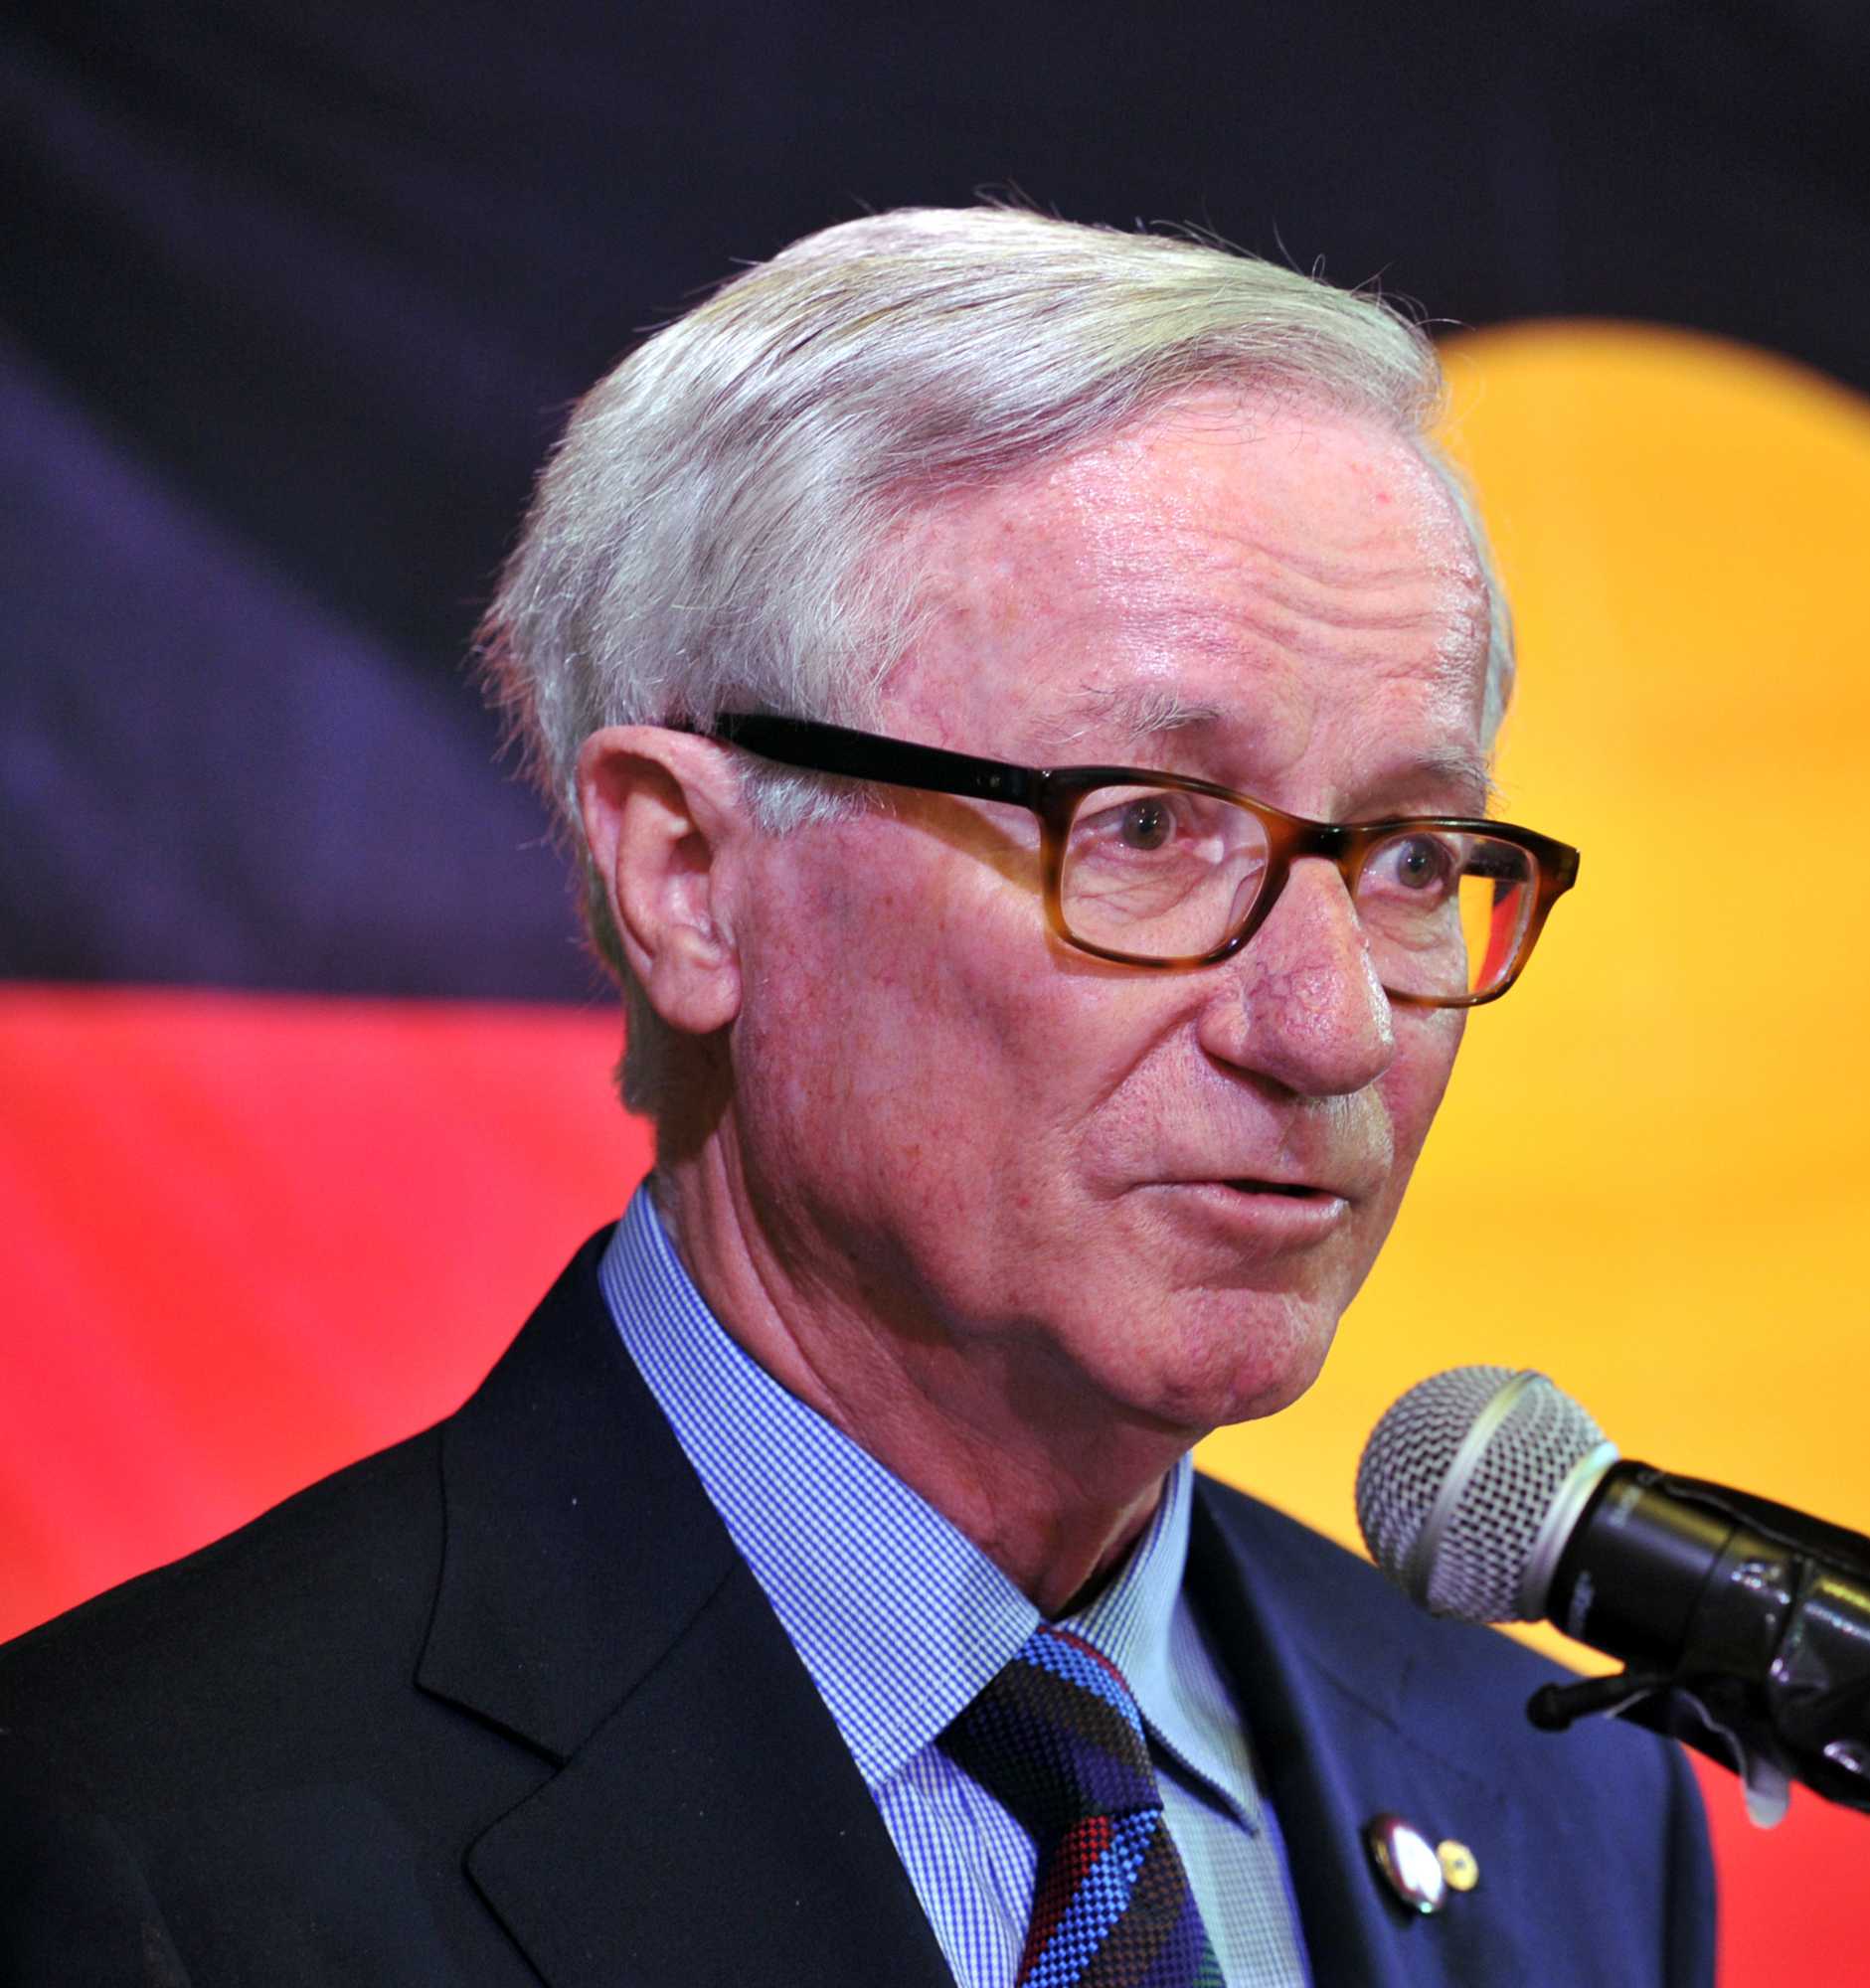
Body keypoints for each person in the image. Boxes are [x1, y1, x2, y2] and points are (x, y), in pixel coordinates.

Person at [0, 207, 1715, 1987]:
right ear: (688, 876)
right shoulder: (148, 1857)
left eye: (1419, 860)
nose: (1333, 1023)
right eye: (1142, 829)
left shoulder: (1558, 1809)